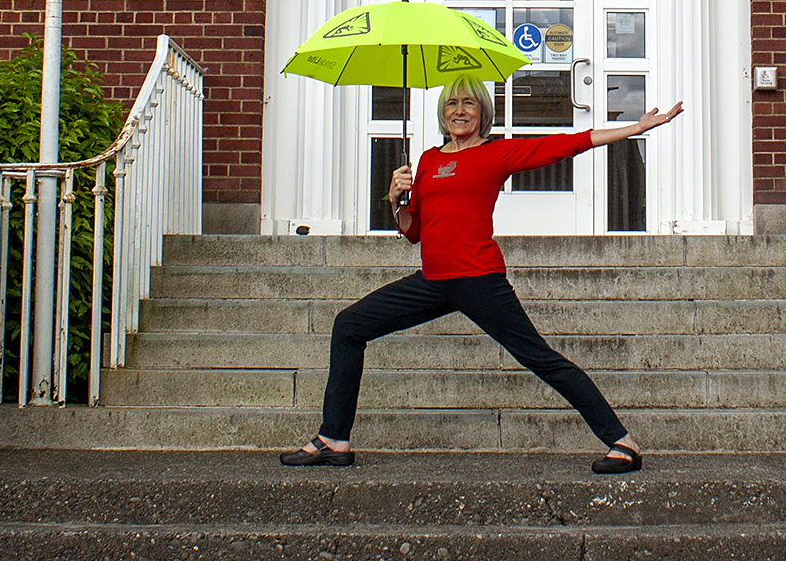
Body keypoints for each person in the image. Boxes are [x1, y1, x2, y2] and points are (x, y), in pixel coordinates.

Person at [281, 76, 684, 474]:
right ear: (443, 112)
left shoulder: (495, 154)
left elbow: (566, 144)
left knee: (540, 359)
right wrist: (394, 198)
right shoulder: (427, 161)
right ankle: (334, 439)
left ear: (482, 113)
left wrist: (636, 128)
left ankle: (622, 442)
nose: (459, 110)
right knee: (349, 326)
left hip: (479, 280)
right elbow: (413, 231)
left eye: (469, 104)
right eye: (453, 103)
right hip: (432, 282)